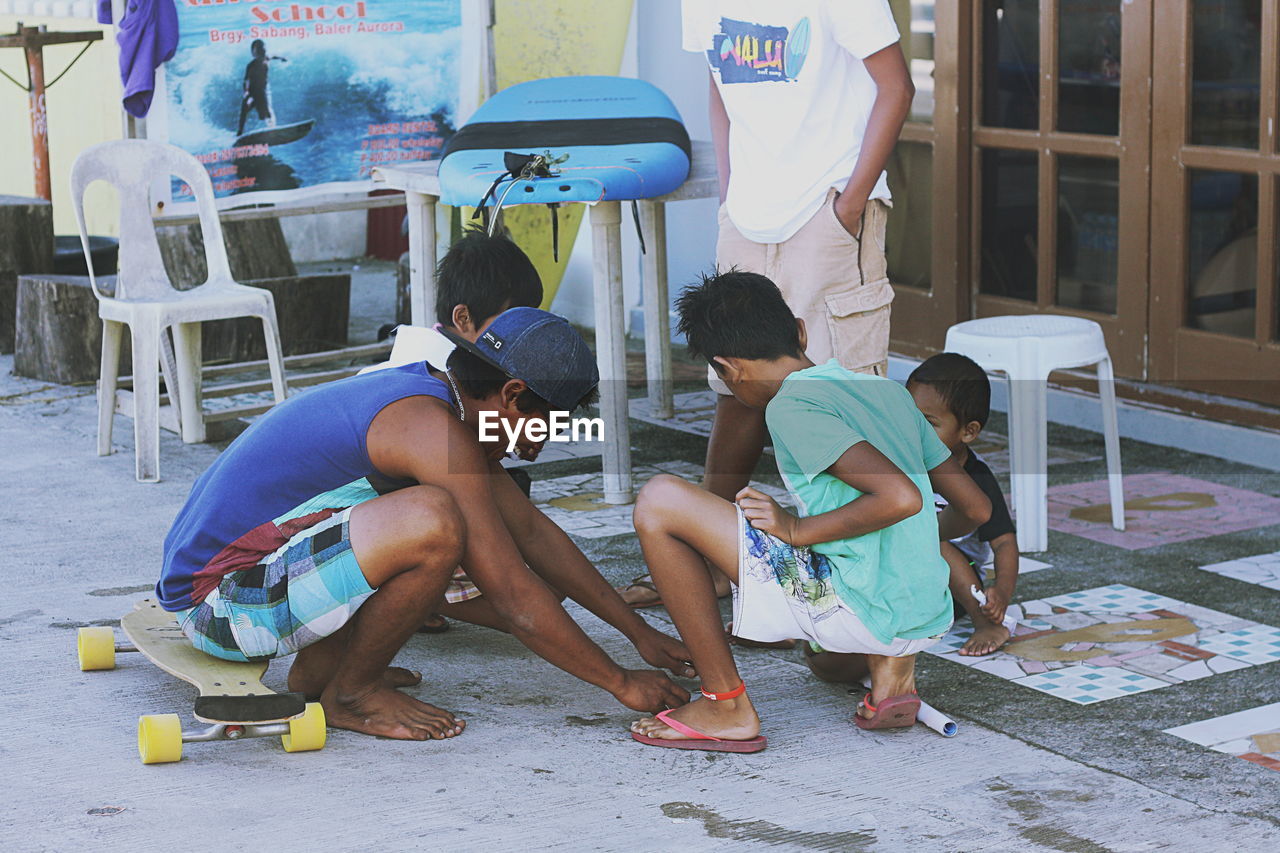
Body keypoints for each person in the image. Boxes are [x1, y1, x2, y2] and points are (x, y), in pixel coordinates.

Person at [160, 307, 693, 743]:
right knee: (432, 521)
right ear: (511, 395)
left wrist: (639, 632)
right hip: (220, 606)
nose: (537, 447)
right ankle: (353, 695)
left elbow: (534, 533)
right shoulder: (429, 428)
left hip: (242, 585)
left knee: (442, 519)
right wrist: (619, 682)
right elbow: (509, 589)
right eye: (545, 426)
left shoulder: (439, 402)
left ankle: (323, 675)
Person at [619, 0, 916, 608]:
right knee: (736, 389)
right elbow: (719, 86)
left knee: (842, 396)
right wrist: (731, 192)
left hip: (829, 208)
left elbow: (897, 86)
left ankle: (866, 580)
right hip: (748, 215)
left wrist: (852, 203)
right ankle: (713, 561)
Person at [627, 272, 990, 752]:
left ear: (728, 369)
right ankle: (892, 672)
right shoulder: (889, 393)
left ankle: (726, 703)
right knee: (827, 652)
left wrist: (796, 528)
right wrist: (919, 542)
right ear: (800, 332)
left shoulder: (792, 405)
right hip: (925, 612)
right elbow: (975, 507)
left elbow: (900, 498)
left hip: (856, 604)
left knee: (659, 499)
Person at [364, 229, 546, 631]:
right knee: (527, 601)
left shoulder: (471, 359)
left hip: (404, 508)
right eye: (514, 320)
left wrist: (516, 436)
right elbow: (458, 451)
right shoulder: (433, 367)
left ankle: (416, 592)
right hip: (375, 519)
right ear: (464, 318)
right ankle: (404, 589)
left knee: (542, 583)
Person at [907, 353, 1020, 656]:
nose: (912, 432)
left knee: (932, 538)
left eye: (928, 424)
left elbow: (1005, 543)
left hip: (955, 587)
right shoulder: (899, 462)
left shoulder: (977, 479)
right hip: (904, 576)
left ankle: (986, 623)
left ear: (968, 431)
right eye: (907, 418)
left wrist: (1002, 592)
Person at [238, 39, 286, 136]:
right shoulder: (251, 65)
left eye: (263, 49)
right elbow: (246, 80)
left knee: (266, 113)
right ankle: (239, 132)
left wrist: (281, 58)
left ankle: (272, 129)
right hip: (252, 92)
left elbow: (273, 56)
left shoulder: (267, 58)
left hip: (262, 91)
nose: (262, 52)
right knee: (245, 107)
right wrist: (246, 92)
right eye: (259, 50)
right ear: (254, 53)